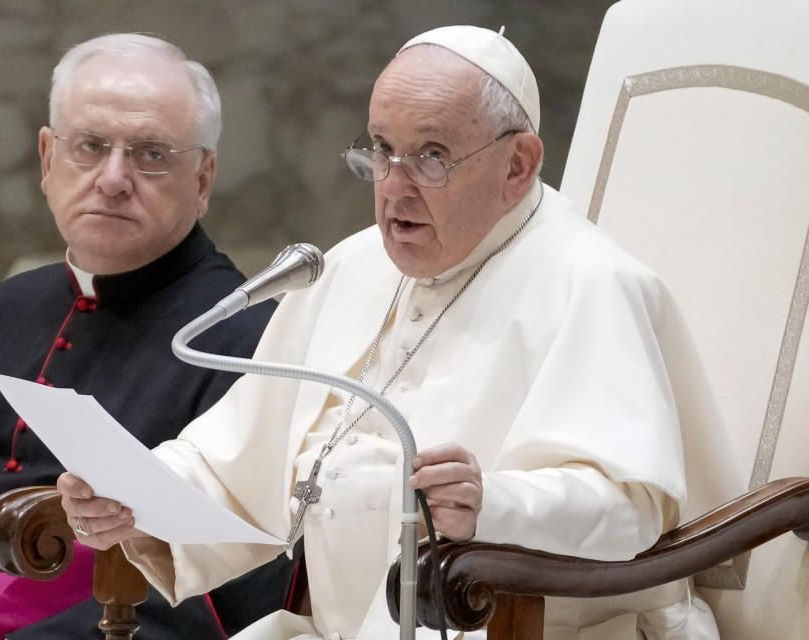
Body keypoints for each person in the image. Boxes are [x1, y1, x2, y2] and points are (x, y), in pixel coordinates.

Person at [58, 26, 730, 639]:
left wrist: (493, 504)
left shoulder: (593, 283)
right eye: (382, 150)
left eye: (431, 156)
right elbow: (237, 461)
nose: (394, 187)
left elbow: (632, 510)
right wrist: (137, 495)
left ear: (518, 165)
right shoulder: (350, 267)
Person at [0, 33, 296, 640]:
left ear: (203, 177)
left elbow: (218, 592)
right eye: (89, 146)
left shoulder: (243, 335)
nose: (113, 179)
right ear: (46, 159)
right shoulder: (12, 303)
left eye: (151, 154)